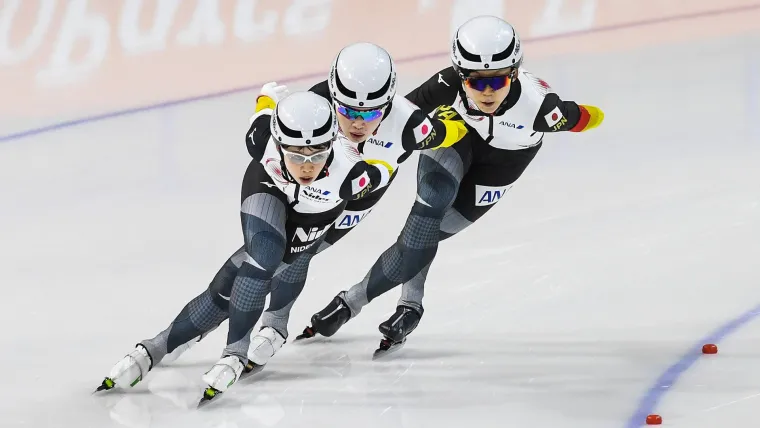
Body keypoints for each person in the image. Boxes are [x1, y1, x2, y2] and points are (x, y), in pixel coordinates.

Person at [299, 15, 606, 357]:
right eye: (475, 82)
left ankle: (351, 300)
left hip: (503, 165)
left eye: (497, 81)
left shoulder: (541, 109)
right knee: (429, 210)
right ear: (460, 75)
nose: (486, 92)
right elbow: (397, 119)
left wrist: (582, 115)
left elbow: (588, 117)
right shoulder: (446, 84)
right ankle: (410, 305)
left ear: (515, 73)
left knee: (427, 235)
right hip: (455, 137)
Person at [97, 91, 392, 403]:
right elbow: (265, 103)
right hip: (266, 187)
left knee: (237, 282)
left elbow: (390, 169)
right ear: (279, 144)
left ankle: (160, 344)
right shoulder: (261, 139)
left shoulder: (354, 175)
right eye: (296, 154)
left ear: (332, 144)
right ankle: (234, 354)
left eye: (316, 155)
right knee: (263, 256)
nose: (307, 167)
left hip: (315, 211)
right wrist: (271, 95)